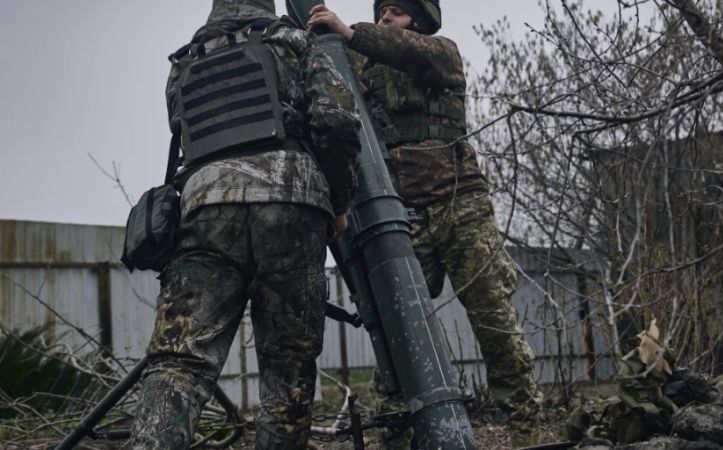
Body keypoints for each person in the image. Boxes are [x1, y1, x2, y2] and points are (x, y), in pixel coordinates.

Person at [128, 0, 360, 448]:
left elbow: (184, 134)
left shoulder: (183, 62)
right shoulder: (295, 42)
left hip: (204, 211)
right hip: (292, 204)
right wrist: (339, 201)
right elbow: (338, 120)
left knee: (179, 360)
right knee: (288, 362)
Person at [307, 0, 543, 437]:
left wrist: (350, 30)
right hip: (404, 216)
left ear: (418, 19)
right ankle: (398, 430)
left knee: (494, 319)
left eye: (394, 12)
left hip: (462, 206)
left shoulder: (440, 53)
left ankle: (526, 425)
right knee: (400, 326)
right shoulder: (361, 65)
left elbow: (411, 52)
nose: (384, 18)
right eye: (382, 11)